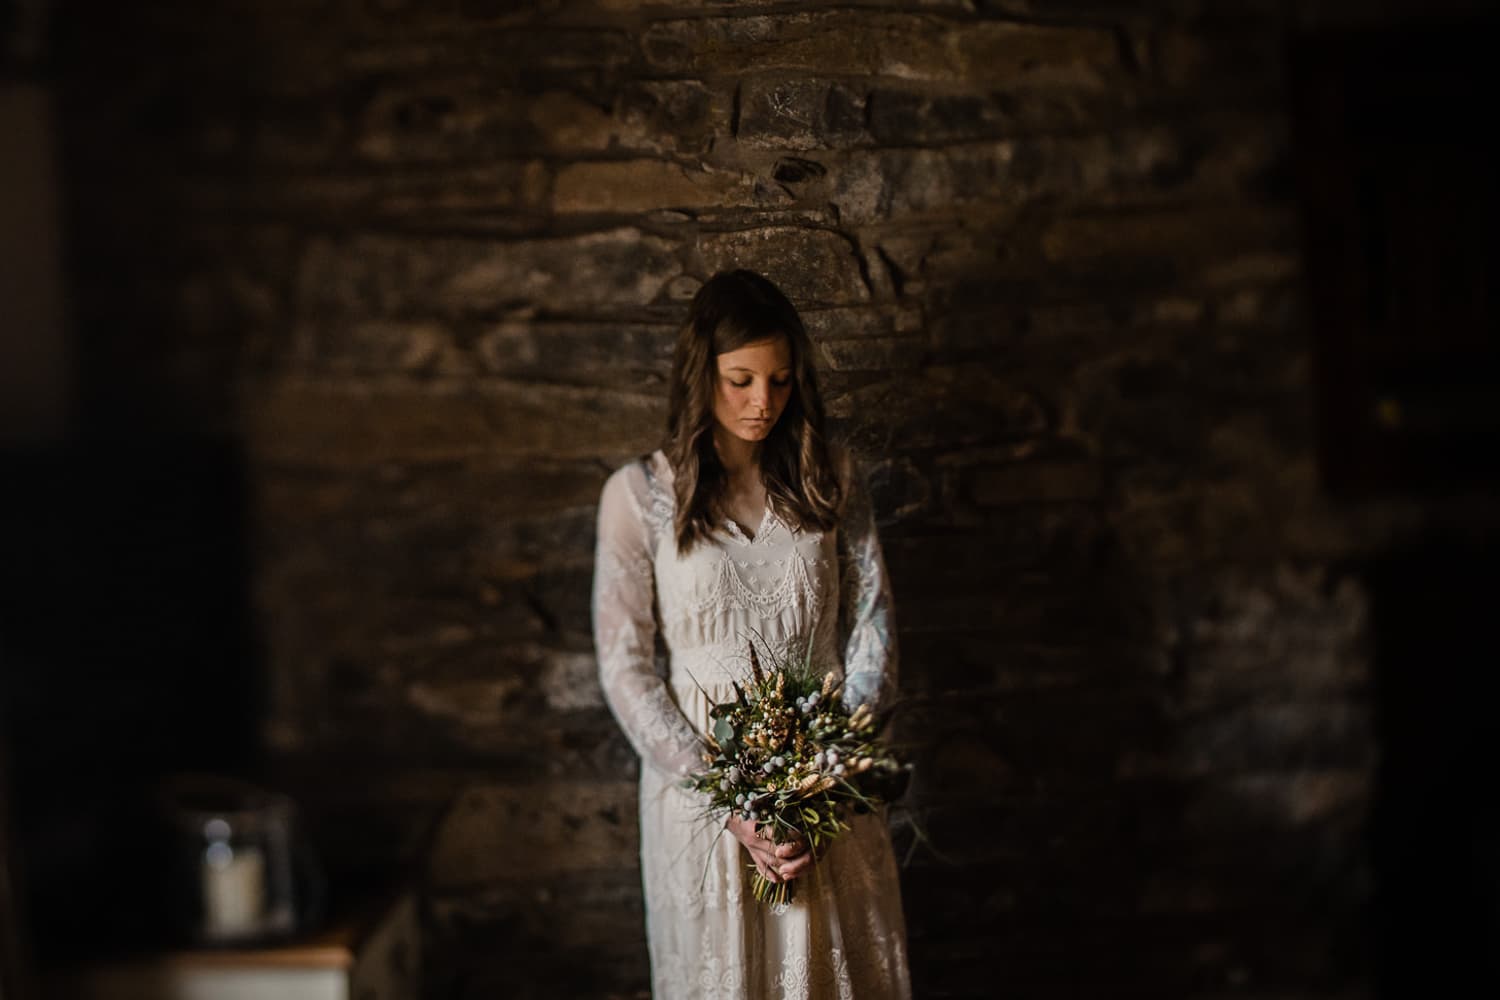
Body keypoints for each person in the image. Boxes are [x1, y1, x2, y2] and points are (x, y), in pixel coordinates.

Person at [592, 269, 911, 999]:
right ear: (701, 375)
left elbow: (874, 625)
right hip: (701, 798)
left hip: (828, 782)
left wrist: (821, 779)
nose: (761, 402)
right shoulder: (638, 497)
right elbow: (626, 666)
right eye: (739, 380)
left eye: (779, 380)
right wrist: (731, 799)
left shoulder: (830, 476)